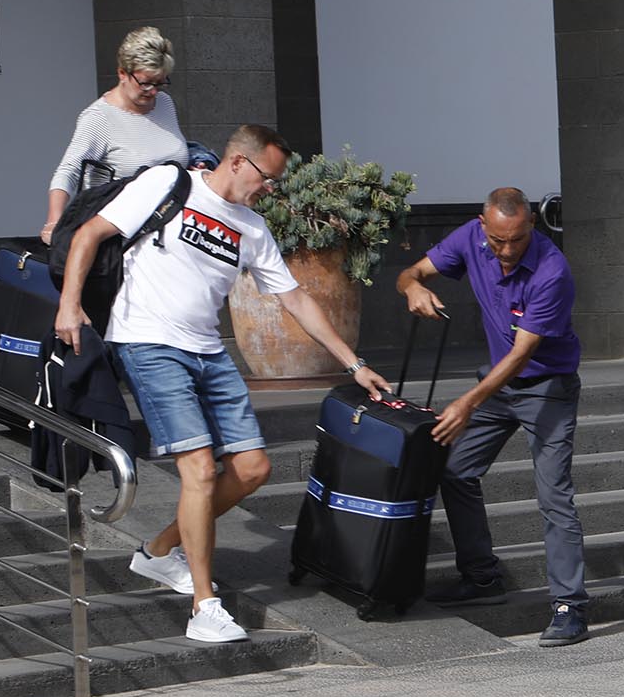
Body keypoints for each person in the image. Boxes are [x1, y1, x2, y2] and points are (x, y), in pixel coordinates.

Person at [54, 124, 387, 645]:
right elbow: (91, 232)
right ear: (237, 161)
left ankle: (160, 552)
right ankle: (204, 606)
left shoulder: (252, 227)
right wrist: (70, 304)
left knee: (253, 469)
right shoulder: (171, 184)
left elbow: (295, 298)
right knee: (201, 471)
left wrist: (353, 363)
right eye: (266, 178)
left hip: (208, 351)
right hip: (148, 343)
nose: (269, 189)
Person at [396, 187, 592, 646]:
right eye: (498, 241)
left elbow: (522, 355)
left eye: (517, 241)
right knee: (454, 469)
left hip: (548, 389)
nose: (506, 251)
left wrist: (467, 402)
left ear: (532, 228)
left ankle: (570, 607)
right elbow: (413, 270)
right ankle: (482, 578)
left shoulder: (552, 270)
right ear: (484, 227)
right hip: (498, 387)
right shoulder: (470, 238)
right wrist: (412, 286)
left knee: (554, 495)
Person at [41, 27, 214, 243]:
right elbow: (69, 170)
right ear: (122, 73)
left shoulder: (165, 104)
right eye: (145, 82)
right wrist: (54, 222)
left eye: (160, 82)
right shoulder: (99, 117)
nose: (153, 91)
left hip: (169, 235)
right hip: (121, 239)